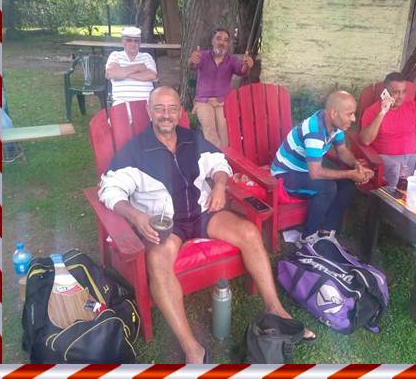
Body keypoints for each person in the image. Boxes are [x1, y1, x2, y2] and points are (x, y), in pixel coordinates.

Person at [98, 86, 316, 363]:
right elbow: (110, 190)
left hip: (203, 212)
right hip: (167, 224)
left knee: (250, 232)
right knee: (157, 263)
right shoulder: (134, 152)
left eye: (172, 108)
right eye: (159, 108)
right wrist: (135, 216)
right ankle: (192, 348)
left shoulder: (191, 139)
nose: (166, 115)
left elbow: (220, 163)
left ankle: (275, 310)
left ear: (180, 111)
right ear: (148, 111)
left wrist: (221, 186)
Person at [271, 91, 374, 245]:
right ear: (333, 113)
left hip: (305, 171)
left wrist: (357, 166)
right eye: (349, 114)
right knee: (328, 188)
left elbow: (342, 151)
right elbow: (316, 173)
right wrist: (350, 173)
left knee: (347, 184)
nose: (353, 119)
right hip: (285, 175)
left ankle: (326, 233)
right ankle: (307, 238)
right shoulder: (315, 131)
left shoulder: (335, 125)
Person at [187, 28, 254, 148]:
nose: (222, 42)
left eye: (225, 40)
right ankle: (216, 155)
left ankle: (225, 154)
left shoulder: (231, 60)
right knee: (209, 127)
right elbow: (193, 65)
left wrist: (247, 65)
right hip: (203, 101)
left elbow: (243, 71)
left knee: (224, 130)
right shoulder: (203, 56)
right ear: (212, 41)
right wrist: (192, 61)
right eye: (218, 38)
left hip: (222, 102)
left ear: (227, 44)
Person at [105, 27, 158, 105]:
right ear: (123, 42)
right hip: (122, 103)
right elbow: (111, 73)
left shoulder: (147, 56)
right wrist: (138, 67)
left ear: (140, 43)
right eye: (129, 40)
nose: (133, 44)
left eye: (136, 41)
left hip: (146, 103)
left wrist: (122, 73)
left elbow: (152, 75)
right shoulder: (115, 55)